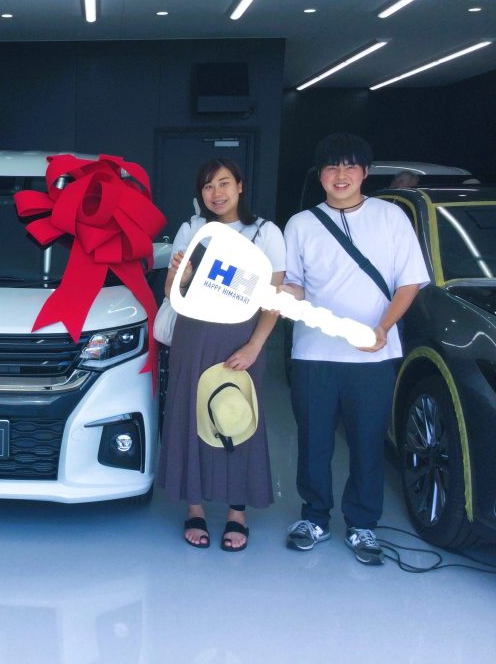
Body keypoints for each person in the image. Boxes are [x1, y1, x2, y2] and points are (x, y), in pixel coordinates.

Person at [282, 132, 428, 564]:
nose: (340, 174)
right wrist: (280, 295)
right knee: (313, 441)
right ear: (320, 176)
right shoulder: (301, 224)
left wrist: (383, 327)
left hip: (372, 355)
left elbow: (409, 282)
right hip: (313, 354)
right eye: (332, 166)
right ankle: (314, 518)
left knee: (367, 442)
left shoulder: (391, 217)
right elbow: (295, 283)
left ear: (365, 172)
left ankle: (362, 524)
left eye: (350, 166)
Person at [159, 158, 285, 551]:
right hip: (193, 336)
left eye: (224, 183)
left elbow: (274, 298)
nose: (216, 193)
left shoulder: (264, 232)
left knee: (237, 416)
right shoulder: (192, 229)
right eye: (208, 186)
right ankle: (194, 507)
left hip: (241, 338)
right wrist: (180, 274)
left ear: (240, 186)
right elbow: (171, 293)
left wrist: (255, 345)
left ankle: (237, 512)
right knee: (190, 417)